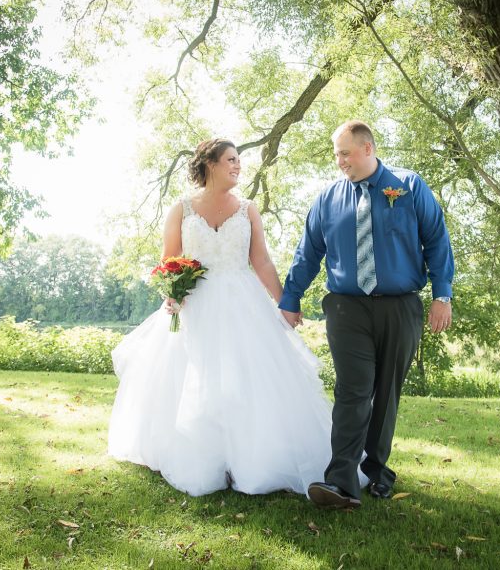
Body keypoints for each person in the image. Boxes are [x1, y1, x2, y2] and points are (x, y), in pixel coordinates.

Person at [108, 138, 358, 497]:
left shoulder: (247, 209)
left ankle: (245, 459)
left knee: (246, 378)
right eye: (231, 160)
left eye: (239, 160)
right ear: (209, 163)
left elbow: (262, 261)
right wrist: (172, 294)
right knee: (195, 377)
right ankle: (203, 456)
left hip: (244, 304)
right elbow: (168, 259)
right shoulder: (181, 208)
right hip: (195, 304)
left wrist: (285, 303)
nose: (238, 166)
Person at [279, 120, 455, 510]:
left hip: (400, 305)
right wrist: (291, 297)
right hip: (347, 306)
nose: (339, 161)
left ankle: (377, 470)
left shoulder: (408, 187)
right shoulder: (328, 198)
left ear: (368, 149)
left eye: (345, 152)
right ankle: (340, 480)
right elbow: (308, 253)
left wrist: (443, 294)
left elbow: (437, 239)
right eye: (336, 154)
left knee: (386, 393)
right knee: (353, 389)